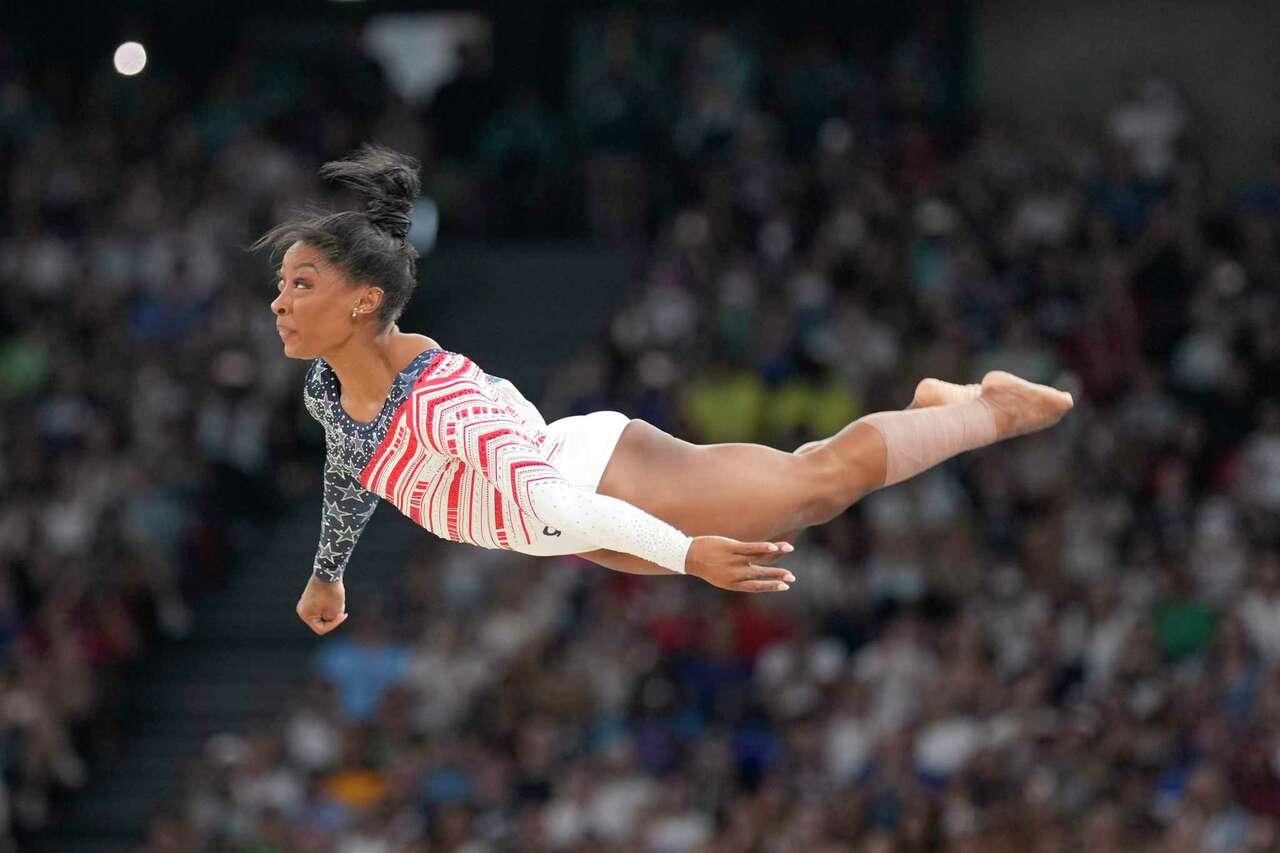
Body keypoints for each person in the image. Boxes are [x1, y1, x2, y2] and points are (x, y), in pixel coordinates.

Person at [261, 145, 1073, 636]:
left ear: (365, 299)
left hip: (600, 482)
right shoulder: (330, 391)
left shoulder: (443, 400)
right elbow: (351, 465)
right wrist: (328, 569)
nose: (279, 301)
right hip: (560, 525)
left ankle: (984, 409)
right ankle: (931, 410)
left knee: (817, 484)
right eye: (281, 285)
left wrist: (687, 554)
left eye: (300, 283)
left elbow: (546, 498)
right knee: (810, 494)